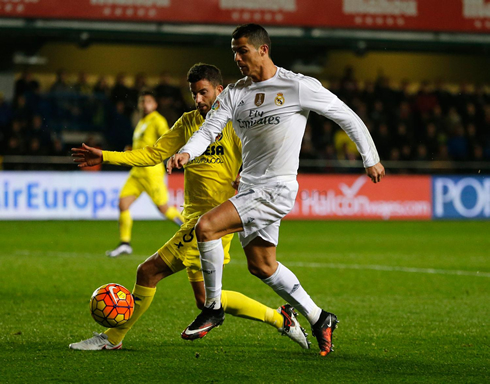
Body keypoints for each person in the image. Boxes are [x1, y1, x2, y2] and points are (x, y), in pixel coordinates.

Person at [168, 24, 385, 357]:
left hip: (277, 187)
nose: (237, 58)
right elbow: (209, 130)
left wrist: (370, 158)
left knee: (206, 227)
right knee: (262, 265)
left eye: (242, 51)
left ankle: (213, 307)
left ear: (263, 50)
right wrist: (187, 151)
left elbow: (346, 115)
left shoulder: (296, 86)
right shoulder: (235, 93)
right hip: (251, 187)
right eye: (233, 52)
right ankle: (319, 317)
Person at [69, 63, 310, 351]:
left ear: (220, 91)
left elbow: (263, 153)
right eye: (194, 94)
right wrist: (105, 156)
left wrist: (244, 173)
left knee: (148, 272)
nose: (198, 100)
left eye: (203, 92)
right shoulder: (187, 122)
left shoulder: (236, 122)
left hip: (214, 221)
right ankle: (281, 319)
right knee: (206, 299)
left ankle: (112, 338)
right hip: (193, 218)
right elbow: (153, 153)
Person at [106, 90, 184, 257]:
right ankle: (125, 244)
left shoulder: (157, 120)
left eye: (148, 101)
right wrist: (132, 150)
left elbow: (168, 138)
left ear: (154, 105)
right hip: (137, 171)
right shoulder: (142, 121)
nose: (144, 104)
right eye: (142, 101)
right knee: (123, 204)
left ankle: (191, 229)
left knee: (164, 209)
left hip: (151, 172)